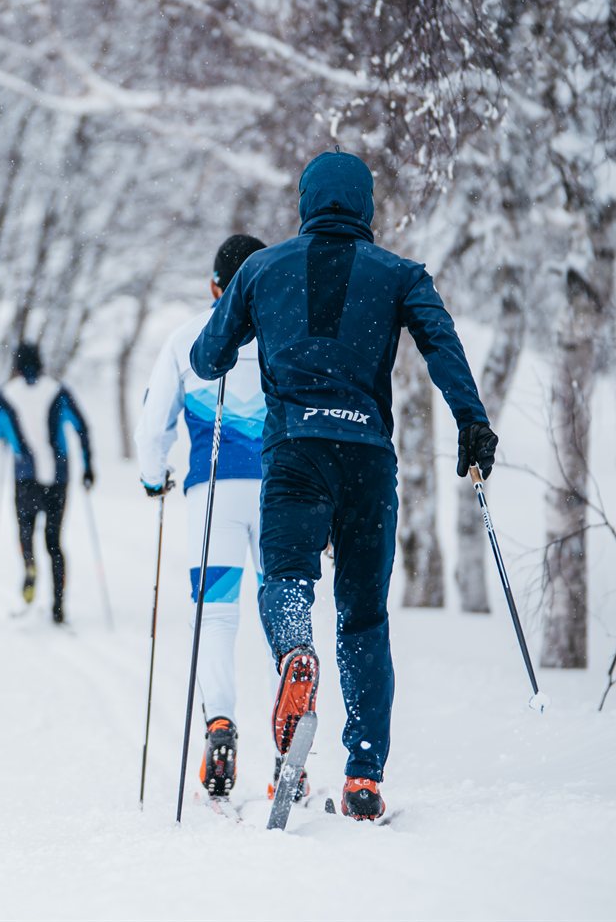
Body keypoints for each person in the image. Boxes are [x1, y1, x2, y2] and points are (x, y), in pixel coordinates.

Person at [189, 151, 498, 821]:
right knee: (363, 616)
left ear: (305, 200)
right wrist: (472, 422)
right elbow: (442, 344)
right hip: (366, 458)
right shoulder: (399, 274)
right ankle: (363, 776)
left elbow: (206, 356)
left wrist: (250, 322)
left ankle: (296, 652)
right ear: (367, 205)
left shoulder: (261, 268)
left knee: (287, 580)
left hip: (296, 451)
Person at [133, 234, 272, 799]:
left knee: (215, 616)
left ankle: (218, 722)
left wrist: (152, 476)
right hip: (279, 495)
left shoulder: (186, 336)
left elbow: (152, 428)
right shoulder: (284, 334)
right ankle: (290, 741)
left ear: (214, 286)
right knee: (279, 616)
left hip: (211, 494)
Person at [0, 342, 95, 625]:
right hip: (58, 477)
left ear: (17, 365)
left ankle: (29, 566)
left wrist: (12, 435)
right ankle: (59, 607)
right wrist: (88, 466)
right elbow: (81, 426)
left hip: (26, 477)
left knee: (26, 531)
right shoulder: (57, 390)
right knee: (55, 542)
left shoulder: (8, 394)